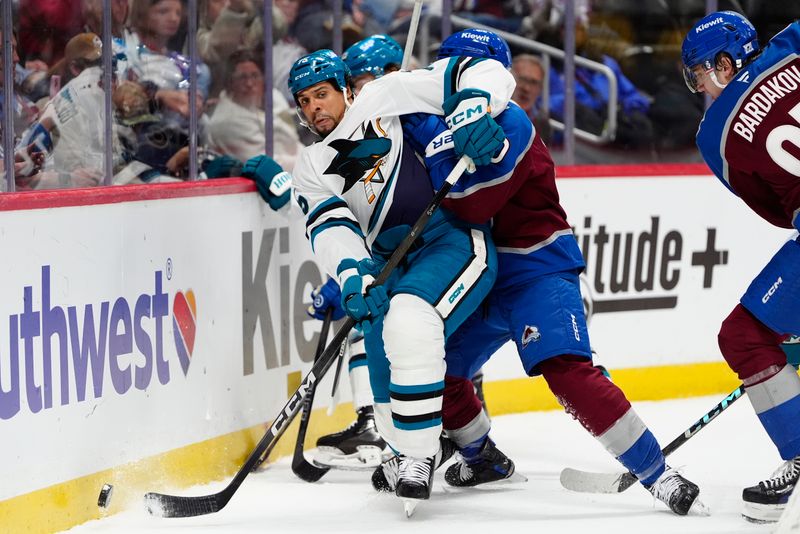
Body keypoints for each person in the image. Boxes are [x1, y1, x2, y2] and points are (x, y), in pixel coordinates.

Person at [371, 28, 706, 517]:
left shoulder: (511, 122)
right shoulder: (428, 123)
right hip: (476, 270)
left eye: (461, 66)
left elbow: (472, 201)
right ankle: (479, 455)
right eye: (443, 67)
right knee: (430, 364)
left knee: (567, 373)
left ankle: (659, 474)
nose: (447, 77)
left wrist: (427, 134)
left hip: (534, 268)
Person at [287, 48, 510, 511]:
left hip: (447, 239)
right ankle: (420, 448)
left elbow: (473, 71)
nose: (314, 108)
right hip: (389, 261)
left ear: (345, 89)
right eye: (304, 101)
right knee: (382, 352)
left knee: (409, 320)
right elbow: (331, 228)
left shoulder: (384, 96)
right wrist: (352, 274)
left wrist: (474, 106)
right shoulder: (309, 166)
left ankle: (419, 457)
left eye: (322, 94)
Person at [681, 11, 800, 524]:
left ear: (725, 63)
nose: (702, 88)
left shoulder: (715, 136)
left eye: (701, 75)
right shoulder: (793, 42)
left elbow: (775, 210)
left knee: (746, 335)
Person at [511, 53, 552, 144]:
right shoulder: (490, 109)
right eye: (522, 79)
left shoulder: (542, 123)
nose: (526, 88)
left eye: (533, 83)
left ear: (540, 89)